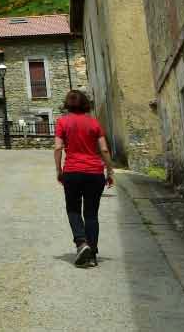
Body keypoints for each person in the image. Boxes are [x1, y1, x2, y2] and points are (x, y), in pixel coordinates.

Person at [53, 89, 115, 267]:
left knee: (73, 210)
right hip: (95, 173)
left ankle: (81, 243)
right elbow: (103, 149)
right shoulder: (94, 123)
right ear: (86, 104)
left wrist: (59, 170)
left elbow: (58, 148)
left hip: (72, 172)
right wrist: (109, 171)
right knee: (91, 214)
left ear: (67, 104)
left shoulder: (62, 122)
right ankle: (92, 254)